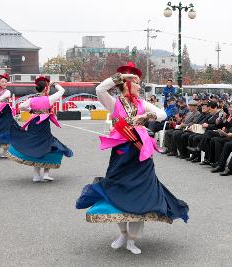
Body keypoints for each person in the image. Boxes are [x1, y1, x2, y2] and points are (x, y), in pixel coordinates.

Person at [75, 62, 189, 255]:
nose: (139, 86)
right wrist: (121, 77)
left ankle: (132, 240)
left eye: (138, 82)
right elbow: (99, 89)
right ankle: (122, 234)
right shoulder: (114, 103)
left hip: (141, 155)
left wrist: (146, 116)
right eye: (135, 83)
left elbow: (161, 114)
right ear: (126, 84)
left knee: (141, 194)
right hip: (121, 155)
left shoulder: (141, 104)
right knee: (118, 191)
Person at [5, 76, 73, 182]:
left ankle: (36, 175)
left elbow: (21, 107)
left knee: (35, 146)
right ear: (46, 89)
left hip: (33, 124)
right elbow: (62, 91)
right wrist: (55, 84)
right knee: (48, 146)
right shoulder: (49, 99)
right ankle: (46, 173)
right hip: (43, 126)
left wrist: (32, 111)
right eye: (48, 88)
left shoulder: (32, 99)